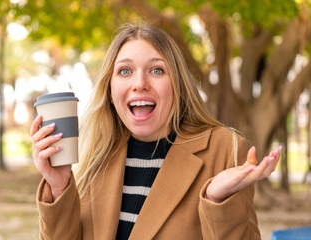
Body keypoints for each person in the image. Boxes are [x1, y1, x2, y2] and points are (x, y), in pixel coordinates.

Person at [30, 23, 282, 240]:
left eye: (157, 70)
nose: (139, 84)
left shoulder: (224, 148)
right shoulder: (96, 153)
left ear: (178, 84)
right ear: (109, 88)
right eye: (125, 71)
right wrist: (59, 185)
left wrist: (218, 201)